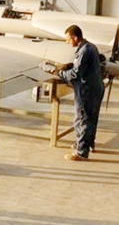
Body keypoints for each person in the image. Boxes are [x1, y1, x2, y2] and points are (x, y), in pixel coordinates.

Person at [40, 25, 104, 161]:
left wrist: (55, 71)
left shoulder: (84, 50)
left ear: (75, 37)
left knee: (81, 119)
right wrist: (67, 66)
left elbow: (75, 74)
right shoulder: (90, 47)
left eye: (68, 39)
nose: (67, 42)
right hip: (96, 88)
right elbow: (81, 66)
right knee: (91, 118)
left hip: (86, 90)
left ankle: (81, 152)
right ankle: (88, 144)